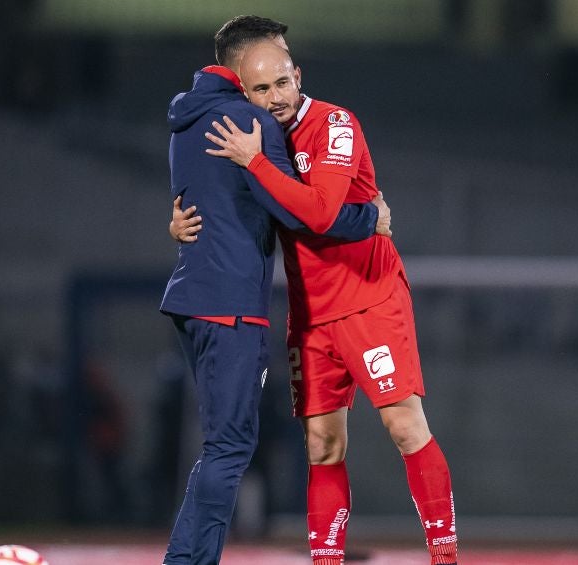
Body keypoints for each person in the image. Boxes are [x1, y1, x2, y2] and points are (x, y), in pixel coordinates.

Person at [173, 38, 458, 565]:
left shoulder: (334, 124)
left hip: (369, 296)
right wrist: (180, 222)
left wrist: (257, 164)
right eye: (261, 88)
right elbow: (224, 201)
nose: (275, 96)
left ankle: (445, 556)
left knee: (404, 426)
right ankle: (326, 561)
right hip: (311, 311)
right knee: (322, 445)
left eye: (282, 82)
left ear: (298, 76)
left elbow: (323, 213)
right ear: (246, 91)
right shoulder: (255, 137)